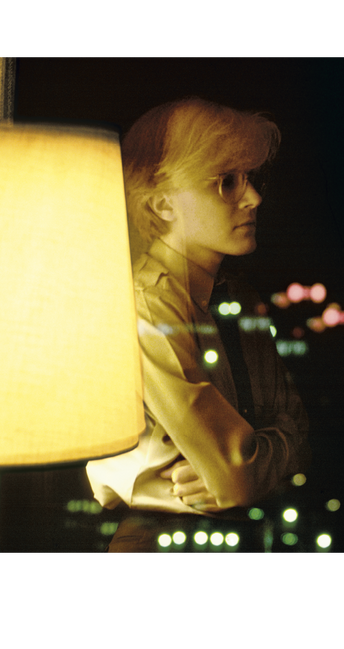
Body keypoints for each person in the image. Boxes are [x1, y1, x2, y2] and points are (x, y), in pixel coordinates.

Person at [87, 97, 310, 554]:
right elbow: (236, 474)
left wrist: (257, 461)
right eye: (226, 182)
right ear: (163, 203)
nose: (254, 198)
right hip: (158, 540)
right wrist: (259, 460)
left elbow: (297, 434)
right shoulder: (144, 305)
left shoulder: (238, 299)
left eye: (251, 178)